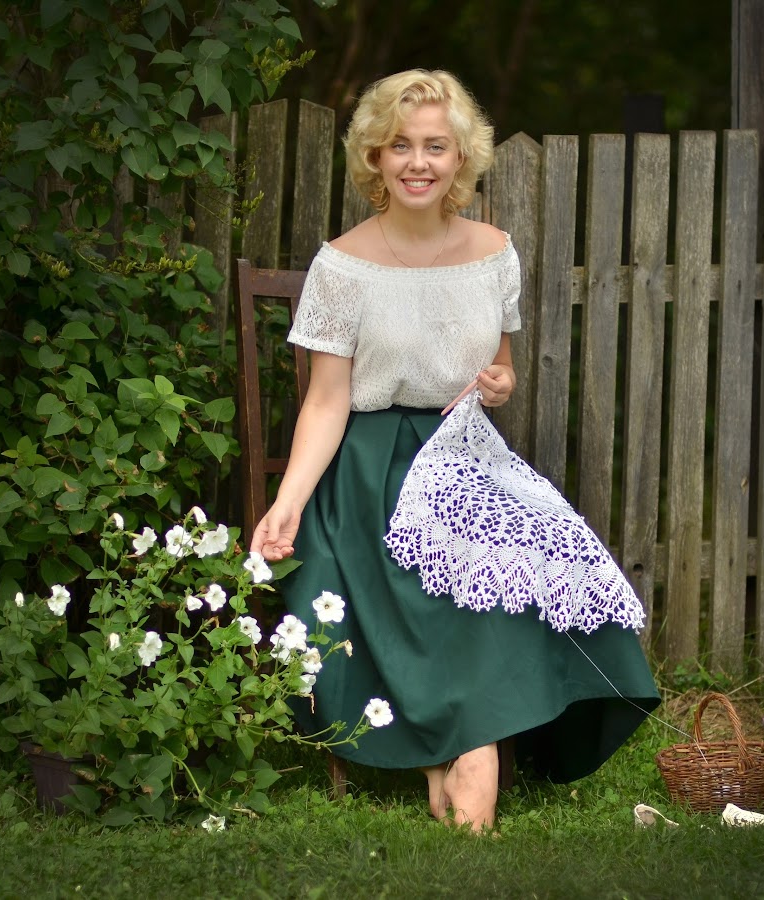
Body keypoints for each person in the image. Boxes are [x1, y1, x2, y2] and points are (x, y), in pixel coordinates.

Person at [250, 69, 659, 832]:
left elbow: (498, 366)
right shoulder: (341, 266)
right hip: (370, 469)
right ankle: (467, 748)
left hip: (465, 456)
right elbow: (327, 400)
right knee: (425, 583)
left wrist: (500, 384)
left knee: (527, 558)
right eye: (400, 145)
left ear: (460, 156)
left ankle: (464, 744)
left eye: (435, 146)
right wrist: (289, 502)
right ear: (374, 156)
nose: (418, 162)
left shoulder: (494, 252)